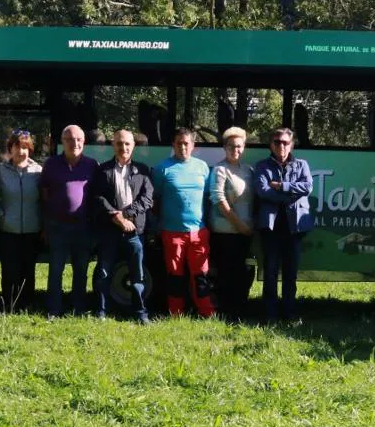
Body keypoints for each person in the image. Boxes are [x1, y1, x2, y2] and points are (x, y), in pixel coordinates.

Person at [90, 129, 154, 323]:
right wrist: (115, 217)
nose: (123, 147)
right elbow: (98, 197)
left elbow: (147, 199)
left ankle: (140, 313)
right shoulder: (102, 170)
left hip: (134, 231)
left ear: (133, 146)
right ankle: (101, 312)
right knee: (103, 272)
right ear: (113, 145)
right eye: (119, 143)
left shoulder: (143, 170)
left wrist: (125, 215)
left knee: (138, 275)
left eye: (127, 143)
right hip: (109, 230)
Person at [253, 127, 313, 323]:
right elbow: (263, 191)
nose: (281, 146)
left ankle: (289, 312)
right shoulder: (262, 166)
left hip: (294, 228)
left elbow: (307, 187)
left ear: (292, 144)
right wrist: (290, 195)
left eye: (285, 142)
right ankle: (269, 314)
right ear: (271, 145)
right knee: (270, 273)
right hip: (270, 229)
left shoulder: (301, 165)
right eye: (277, 142)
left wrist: (282, 186)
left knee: (290, 274)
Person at [153, 128, 214, 317]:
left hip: (198, 232)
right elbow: (155, 200)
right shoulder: (162, 168)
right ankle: (176, 313)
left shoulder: (203, 167)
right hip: (171, 232)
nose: (182, 147)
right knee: (175, 275)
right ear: (173, 145)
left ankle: (206, 311)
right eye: (179, 143)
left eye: (186, 143)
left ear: (193, 146)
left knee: (201, 275)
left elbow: (208, 198)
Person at [40, 124, 99, 317]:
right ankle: (54, 309)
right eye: (69, 139)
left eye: (79, 139)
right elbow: (44, 194)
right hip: (57, 226)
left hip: (83, 226)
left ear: (84, 141)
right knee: (55, 270)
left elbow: (97, 197)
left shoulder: (92, 165)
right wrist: (46, 224)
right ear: (62, 142)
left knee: (81, 270)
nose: (75, 143)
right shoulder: (51, 164)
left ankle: (79, 308)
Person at [0, 129, 44, 312]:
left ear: (29, 149)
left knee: (28, 270)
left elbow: (43, 199)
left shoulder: (38, 171)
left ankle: (26, 305)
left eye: (25, 147)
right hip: (8, 229)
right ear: (10, 148)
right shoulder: (0, 171)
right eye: (17, 147)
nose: (21, 151)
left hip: (31, 229)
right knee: (9, 270)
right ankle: (8, 304)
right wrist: (1, 216)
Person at [208, 126, 255, 322]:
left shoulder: (248, 170)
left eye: (239, 146)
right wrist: (238, 225)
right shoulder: (220, 169)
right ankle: (226, 312)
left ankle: (239, 309)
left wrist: (247, 226)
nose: (235, 150)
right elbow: (218, 199)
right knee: (227, 273)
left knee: (243, 272)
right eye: (231, 146)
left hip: (245, 231)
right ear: (224, 148)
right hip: (226, 231)